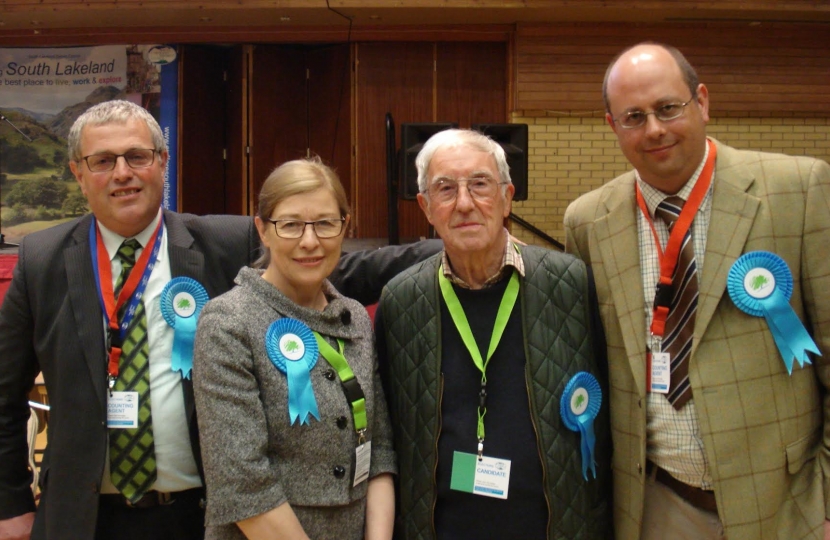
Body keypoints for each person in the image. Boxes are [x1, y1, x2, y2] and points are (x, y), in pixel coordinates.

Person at [0, 99, 437, 540]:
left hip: (199, 513)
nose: (122, 173)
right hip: (81, 517)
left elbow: (341, 269)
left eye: (137, 156)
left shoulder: (223, 241)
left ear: (162, 163)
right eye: (102, 161)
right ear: (78, 172)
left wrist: (458, 246)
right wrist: (10, 501)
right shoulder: (42, 260)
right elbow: (3, 390)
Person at [564, 42, 830, 540]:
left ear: (702, 102)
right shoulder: (587, 221)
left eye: (668, 108)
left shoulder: (798, 190)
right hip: (659, 506)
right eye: (634, 117)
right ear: (612, 126)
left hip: (788, 504)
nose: (655, 129)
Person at [376, 129, 612, 539]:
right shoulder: (401, 301)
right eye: (445, 189)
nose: (464, 203)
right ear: (426, 207)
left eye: (480, 184)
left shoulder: (569, 283)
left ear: (507, 197)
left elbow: (611, 410)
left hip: (554, 526)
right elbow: (391, 433)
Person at [192, 157, 395, 540]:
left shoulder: (352, 317)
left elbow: (380, 449)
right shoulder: (227, 322)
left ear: (344, 227)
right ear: (262, 231)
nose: (309, 241)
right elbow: (242, 485)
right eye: (289, 225)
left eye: (324, 223)